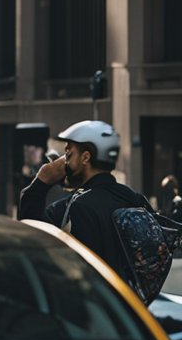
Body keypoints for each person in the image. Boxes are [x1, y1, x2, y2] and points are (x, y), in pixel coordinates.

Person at [17, 120, 149, 285]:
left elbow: (34, 242)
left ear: (86, 157)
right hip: (130, 303)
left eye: (69, 153)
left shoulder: (77, 207)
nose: (64, 161)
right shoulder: (133, 198)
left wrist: (41, 182)